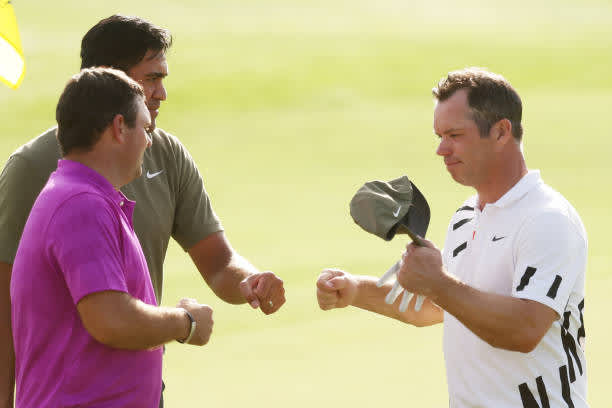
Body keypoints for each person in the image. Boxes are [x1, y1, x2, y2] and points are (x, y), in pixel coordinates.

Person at [0, 15, 286, 407]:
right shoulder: (64, 191)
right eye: (150, 79)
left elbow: (218, 262)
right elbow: (102, 317)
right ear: (114, 90)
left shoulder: (128, 174)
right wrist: (185, 323)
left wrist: (250, 281)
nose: (161, 94)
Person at [317, 68, 588, 407]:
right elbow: (438, 307)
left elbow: (525, 329)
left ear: (502, 131)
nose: (442, 150)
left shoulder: (547, 220)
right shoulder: (466, 215)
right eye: (439, 136)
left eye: (455, 135)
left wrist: (438, 282)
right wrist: (356, 289)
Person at [11, 67, 215, 407]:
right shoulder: (81, 205)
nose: (150, 141)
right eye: (145, 129)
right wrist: (186, 322)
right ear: (119, 127)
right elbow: (111, 320)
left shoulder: (83, 197)